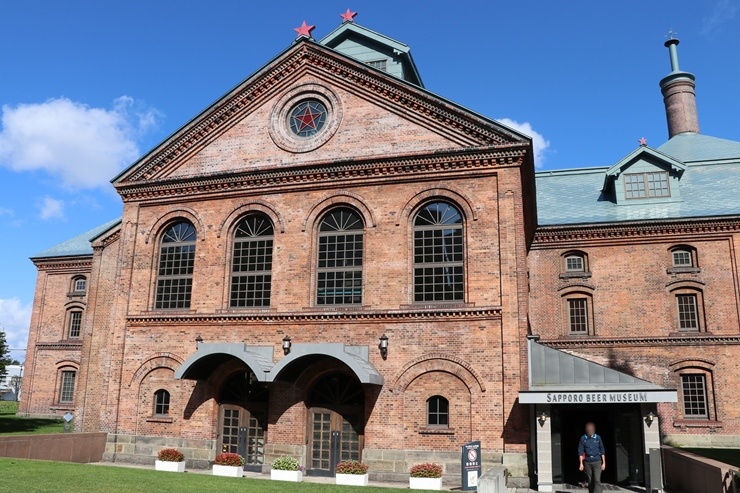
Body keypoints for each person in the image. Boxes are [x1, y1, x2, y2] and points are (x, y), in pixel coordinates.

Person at [578, 422, 606, 493]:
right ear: (586, 429)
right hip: (588, 462)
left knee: (597, 480)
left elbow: (602, 450)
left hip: (597, 461)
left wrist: (604, 463)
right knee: (590, 481)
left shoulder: (597, 438)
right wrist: (581, 463)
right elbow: (580, 451)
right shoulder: (583, 438)